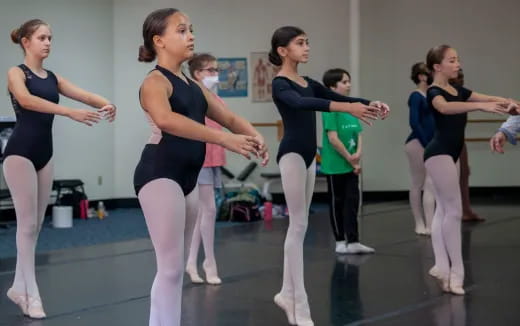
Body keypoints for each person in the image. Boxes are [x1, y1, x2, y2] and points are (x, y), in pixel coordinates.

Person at [134, 8, 268, 326]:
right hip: (159, 174)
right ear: (159, 41)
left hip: (187, 178)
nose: (191, 35)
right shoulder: (155, 81)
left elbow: (229, 117)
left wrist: (253, 134)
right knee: (168, 268)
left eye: (191, 29)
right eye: (181, 30)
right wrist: (225, 141)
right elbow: (167, 120)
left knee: (176, 268)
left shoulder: (193, 86)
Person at [269, 25, 389, 325]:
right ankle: (297, 300)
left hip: (310, 156)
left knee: (302, 224)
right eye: (300, 43)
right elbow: (303, 104)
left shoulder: (307, 81)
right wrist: (347, 107)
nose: (307, 47)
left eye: (308, 42)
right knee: (296, 226)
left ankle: (287, 292)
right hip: (293, 154)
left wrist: (367, 104)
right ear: (283, 50)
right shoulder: (281, 83)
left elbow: (329, 96)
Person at [5, 19, 116, 319]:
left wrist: (106, 103)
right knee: (26, 225)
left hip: (45, 154)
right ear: (26, 42)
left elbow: (83, 95)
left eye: (50, 38)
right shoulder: (17, 73)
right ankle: (32, 294)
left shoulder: (53, 77)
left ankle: (17, 286)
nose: (48, 43)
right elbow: (27, 101)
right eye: (41, 37)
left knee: (36, 226)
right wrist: (68, 112)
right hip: (19, 153)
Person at [424, 44, 511, 295]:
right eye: (452, 60)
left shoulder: (457, 89)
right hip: (438, 152)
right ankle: (456, 274)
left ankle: (442, 265)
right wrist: (478, 107)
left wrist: (510, 103)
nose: (458, 64)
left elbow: (490, 98)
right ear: (437, 67)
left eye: (458, 59)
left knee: (444, 210)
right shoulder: (435, 91)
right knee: (454, 211)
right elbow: (444, 108)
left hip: (450, 153)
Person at [321, 68, 376, 254]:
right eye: (344, 82)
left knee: (352, 202)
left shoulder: (351, 107)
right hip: (335, 166)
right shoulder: (329, 109)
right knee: (337, 202)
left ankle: (353, 241)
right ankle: (340, 241)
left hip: (351, 166)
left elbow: (358, 134)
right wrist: (350, 159)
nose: (348, 85)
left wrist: (357, 157)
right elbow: (333, 139)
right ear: (332, 86)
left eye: (348, 81)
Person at [185, 53, 226, 285]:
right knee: (208, 211)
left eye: (216, 70)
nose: (215, 74)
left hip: (214, 159)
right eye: (211, 70)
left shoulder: (215, 98)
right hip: (199, 159)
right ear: (198, 74)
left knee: (204, 213)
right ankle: (209, 261)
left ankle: (192, 261)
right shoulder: (192, 97)